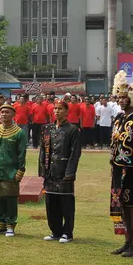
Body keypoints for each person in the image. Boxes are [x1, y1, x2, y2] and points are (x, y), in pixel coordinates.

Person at [109, 71, 133, 258]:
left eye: (125, 97)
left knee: (132, 206)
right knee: (121, 206)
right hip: (118, 169)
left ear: (132, 98)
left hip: (132, 170)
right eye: (120, 97)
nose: (122, 100)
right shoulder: (118, 118)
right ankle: (127, 241)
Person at [40, 100, 81, 243]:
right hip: (50, 170)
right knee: (51, 203)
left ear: (67, 111)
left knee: (66, 203)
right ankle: (55, 231)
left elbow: (75, 153)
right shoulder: (48, 129)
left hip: (64, 171)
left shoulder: (72, 130)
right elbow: (43, 150)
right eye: (55, 108)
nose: (57, 111)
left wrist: (70, 172)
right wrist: (43, 170)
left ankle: (67, 233)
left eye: (60, 109)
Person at [0, 104, 27, 237]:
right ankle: (0, 224)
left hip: (11, 171)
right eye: (2, 112)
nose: (4, 114)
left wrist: (20, 171)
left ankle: (11, 225)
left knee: (10, 198)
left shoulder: (19, 133)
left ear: (13, 114)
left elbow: (21, 153)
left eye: (7, 112)